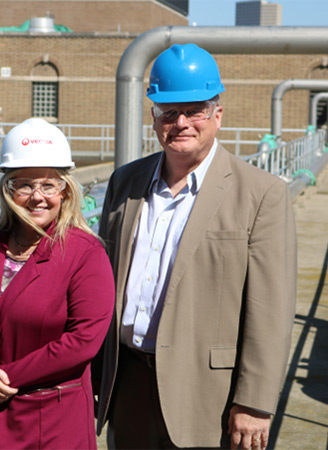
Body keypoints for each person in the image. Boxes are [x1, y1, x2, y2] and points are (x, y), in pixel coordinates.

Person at [93, 43, 297, 450]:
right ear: (153, 118)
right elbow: (101, 281)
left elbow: (271, 311)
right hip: (127, 381)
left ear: (217, 115)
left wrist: (254, 402)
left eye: (195, 110)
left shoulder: (261, 194)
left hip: (208, 393)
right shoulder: (125, 184)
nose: (181, 122)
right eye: (169, 112)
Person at [0, 118, 115, 449]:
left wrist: (2, 381)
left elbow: (83, 341)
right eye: (23, 185)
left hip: (50, 425)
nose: (37, 197)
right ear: (7, 189)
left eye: (48, 185)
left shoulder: (85, 253)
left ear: (65, 190)